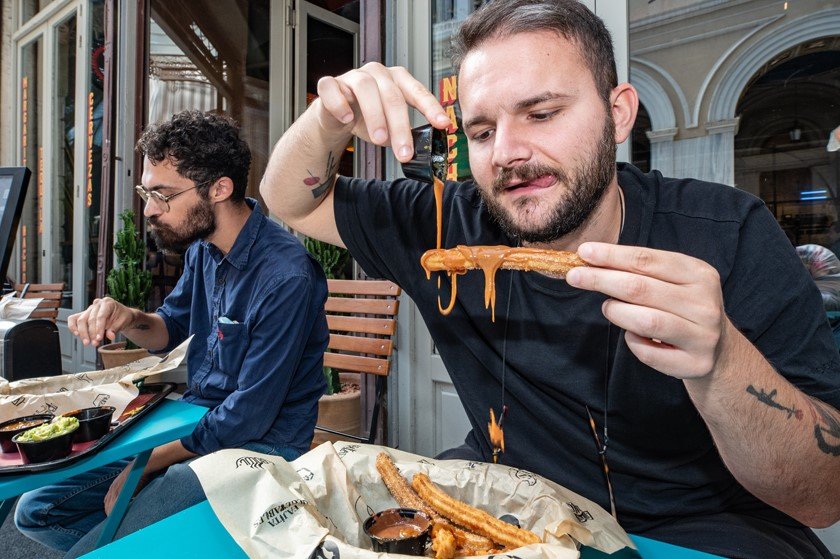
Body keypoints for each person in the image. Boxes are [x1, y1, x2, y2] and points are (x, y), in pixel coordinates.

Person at [260, 1, 840, 558]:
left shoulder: (728, 232)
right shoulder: (442, 222)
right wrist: (328, 116)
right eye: (482, 131)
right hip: (511, 508)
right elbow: (285, 198)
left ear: (618, 114)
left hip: (708, 527)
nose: (508, 152)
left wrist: (722, 361)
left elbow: (823, 494)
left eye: (541, 114)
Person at [16, 110, 329, 557]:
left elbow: (251, 414)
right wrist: (128, 318)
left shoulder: (286, 276)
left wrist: (146, 466)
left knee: (97, 549)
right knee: (36, 510)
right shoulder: (205, 250)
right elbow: (169, 330)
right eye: (147, 192)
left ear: (219, 189)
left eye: (162, 195)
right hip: (195, 421)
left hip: (262, 443)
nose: (148, 209)